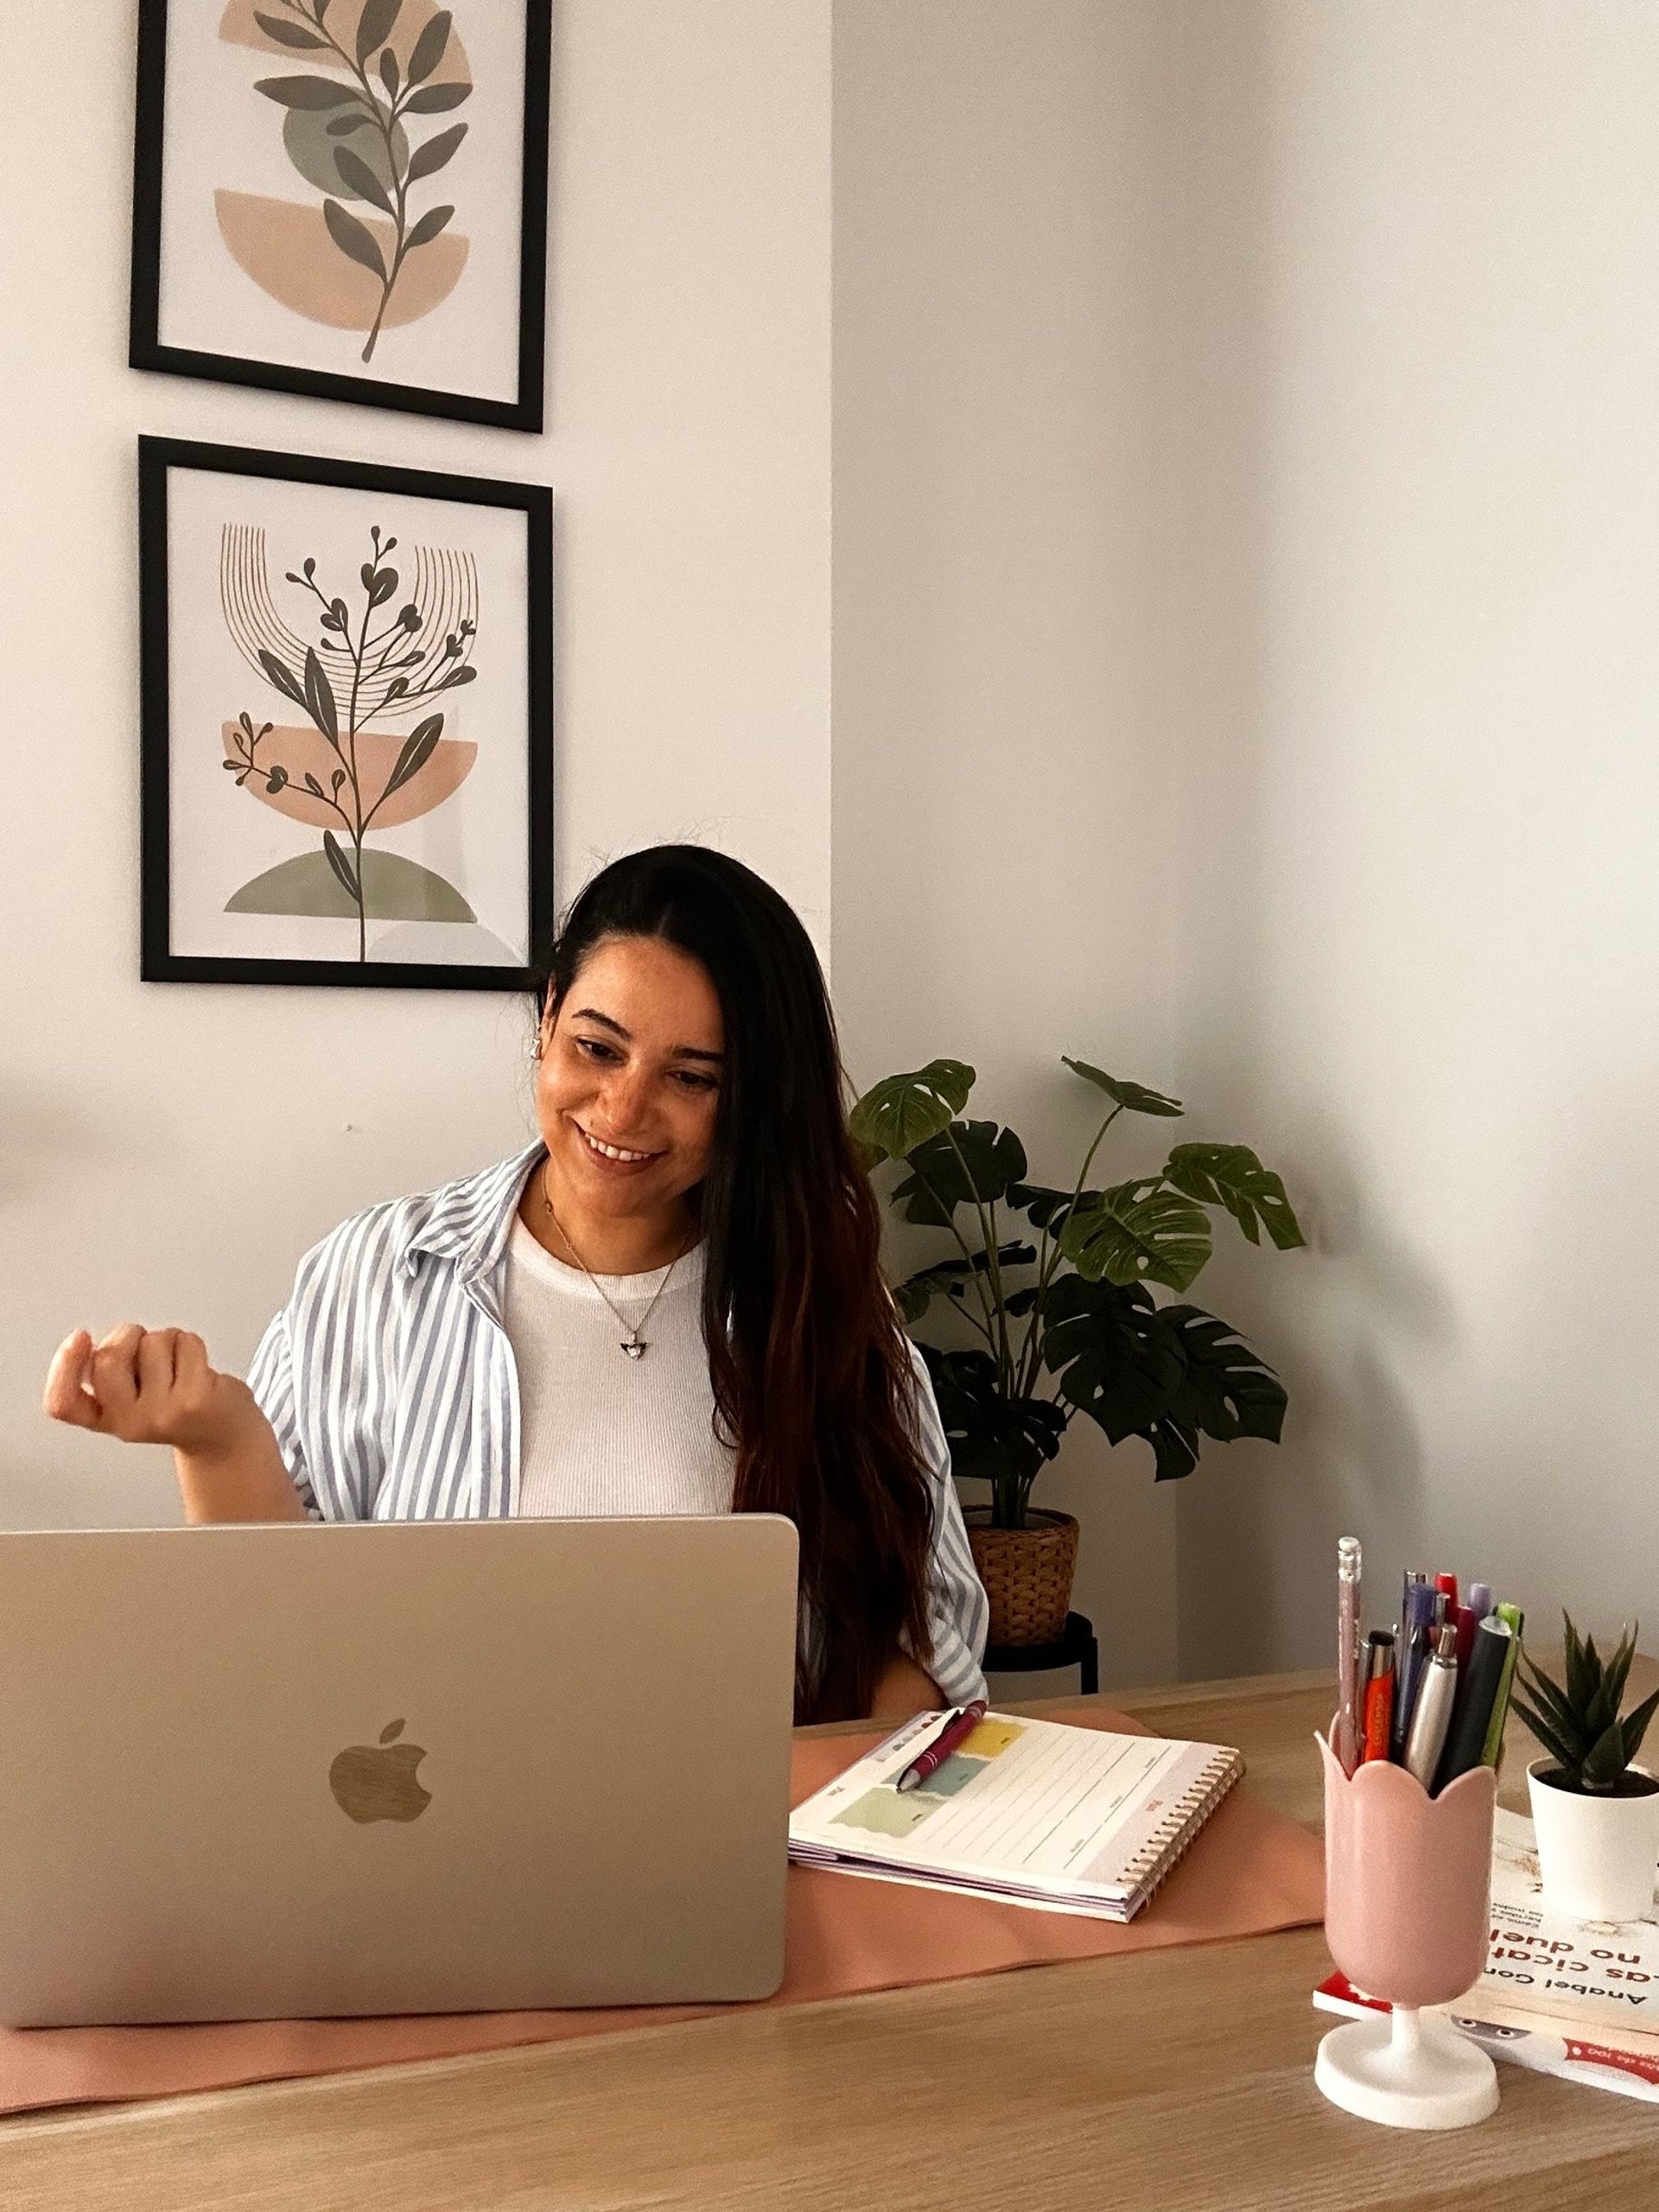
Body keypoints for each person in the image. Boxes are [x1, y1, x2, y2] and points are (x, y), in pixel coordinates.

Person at [43, 846, 988, 1723]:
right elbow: (275, 1632)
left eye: (691, 1077)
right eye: (597, 1047)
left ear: (752, 1099)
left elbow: (925, 1631)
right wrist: (217, 1435)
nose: (622, 1108)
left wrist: (836, 1813)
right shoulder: (378, 1275)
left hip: (752, 1858)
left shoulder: (818, 1302)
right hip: (423, 1856)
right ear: (546, 1019)